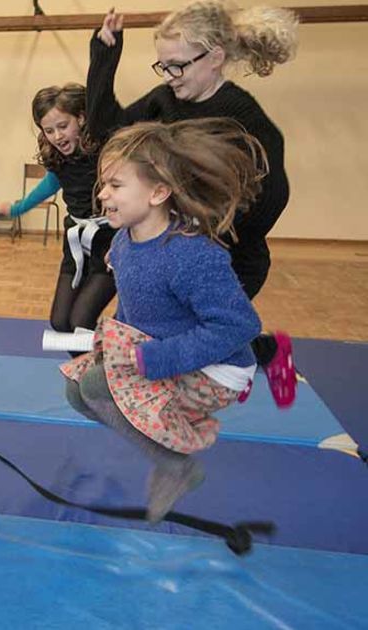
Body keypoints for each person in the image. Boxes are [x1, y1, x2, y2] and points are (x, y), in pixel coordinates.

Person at [88, 1, 298, 406]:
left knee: (193, 336)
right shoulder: (165, 101)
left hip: (228, 258)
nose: (169, 76)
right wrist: (104, 55)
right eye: (162, 66)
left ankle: (260, 356)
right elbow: (105, 132)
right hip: (173, 253)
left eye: (178, 66)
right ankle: (258, 355)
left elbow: (272, 197)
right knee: (169, 334)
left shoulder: (243, 118)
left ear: (215, 58)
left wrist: (202, 235)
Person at [63, 118, 265, 522]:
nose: (102, 195)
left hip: (217, 370)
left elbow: (239, 327)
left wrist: (155, 360)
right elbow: (136, 309)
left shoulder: (190, 255)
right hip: (161, 350)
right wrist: (115, 343)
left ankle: (177, 463)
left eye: (115, 186)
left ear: (158, 192)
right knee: (76, 390)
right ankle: (172, 461)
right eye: (104, 185)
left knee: (96, 384)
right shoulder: (123, 242)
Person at [0, 84, 115, 342]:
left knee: (80, 321)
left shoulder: (105, 152)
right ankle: (89, 371)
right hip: (75, 247)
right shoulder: (59, 159)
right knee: (60, 322)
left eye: (63, 126)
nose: (56, 136)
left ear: (81, 118)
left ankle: (96, 375)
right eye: (48, 130)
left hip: (110, 247)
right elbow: (48, 185)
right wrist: (18, 208)